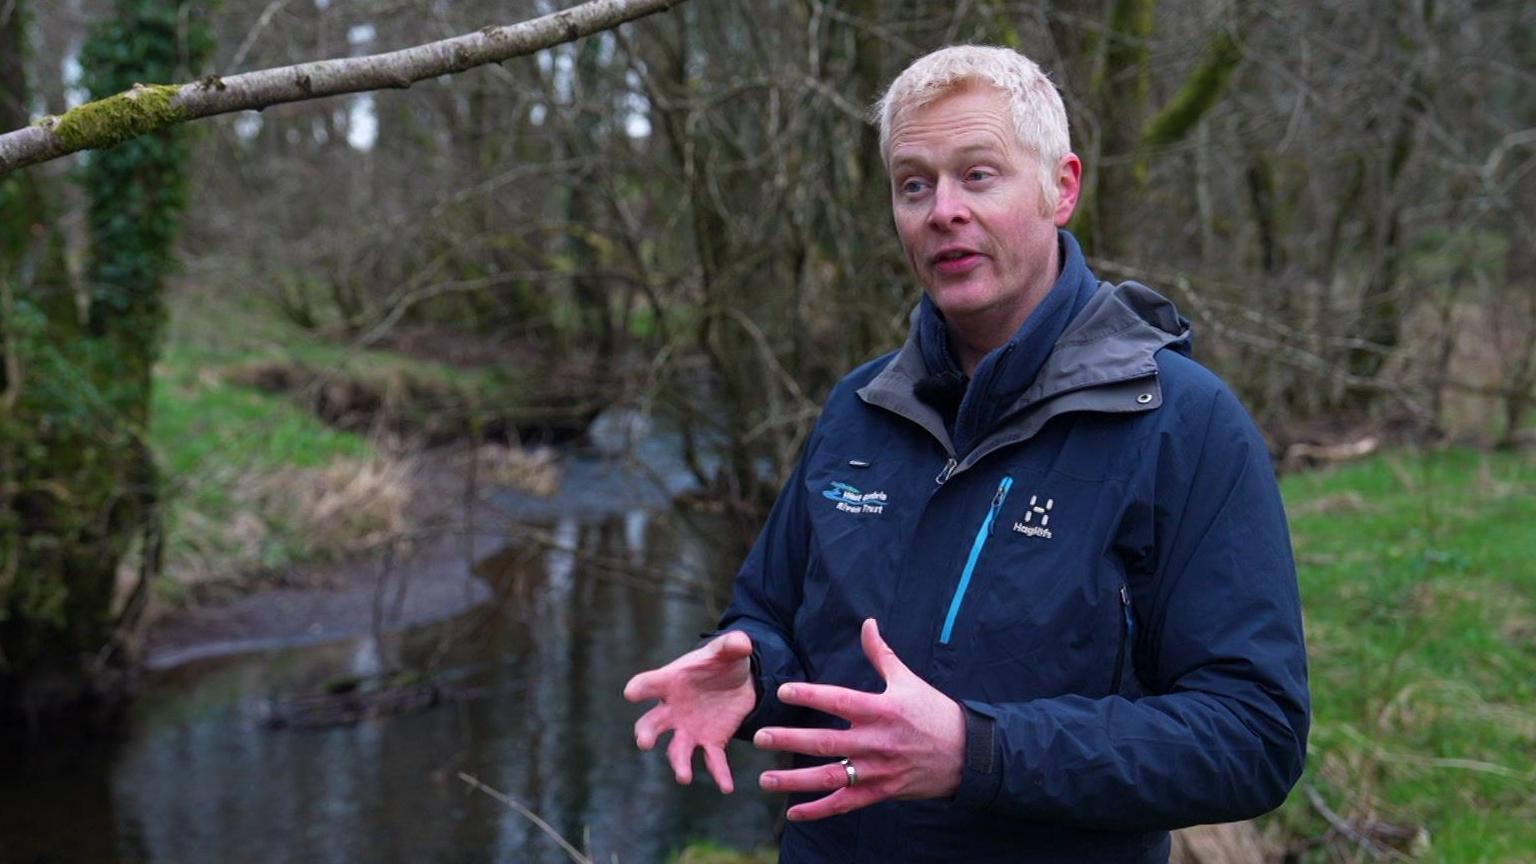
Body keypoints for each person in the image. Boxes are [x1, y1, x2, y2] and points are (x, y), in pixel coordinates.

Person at [624, 44, 1309, 863]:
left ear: (1063, 188)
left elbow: (1254, 735)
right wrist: (755, 672)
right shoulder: (858, 411)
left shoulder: (1183, 425)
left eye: (978, 175)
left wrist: (977, 752)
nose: (943, 209)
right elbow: (769, 615)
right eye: (915, 184)